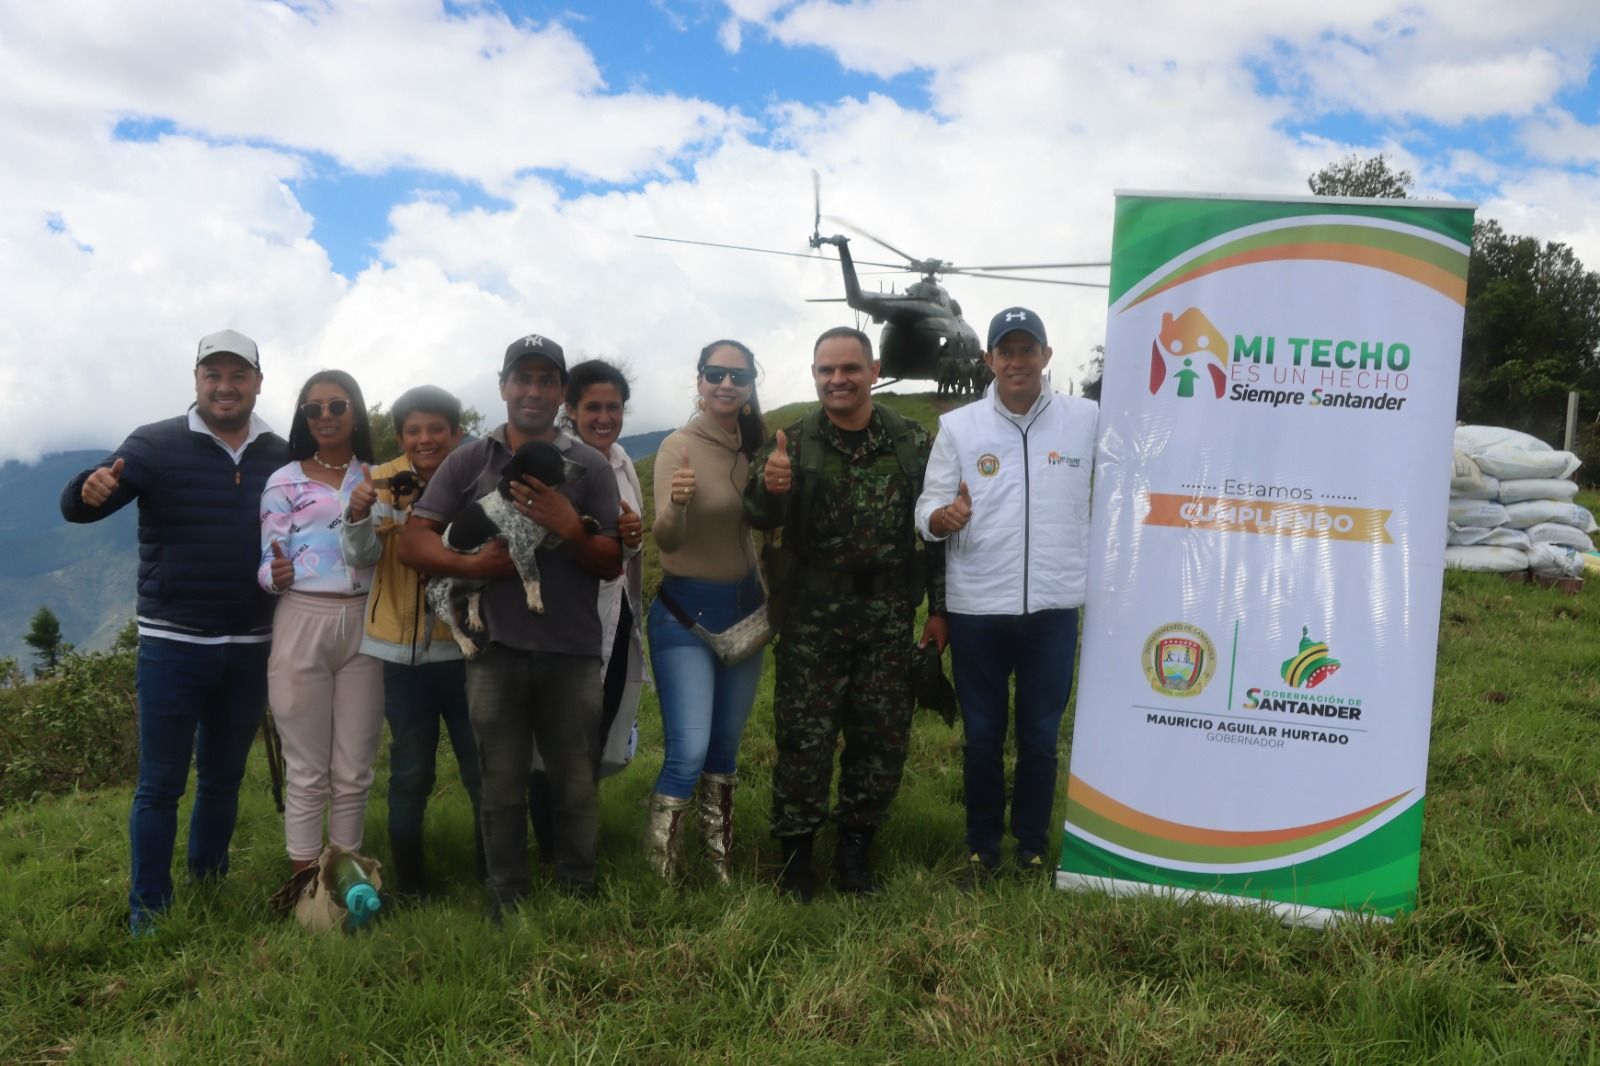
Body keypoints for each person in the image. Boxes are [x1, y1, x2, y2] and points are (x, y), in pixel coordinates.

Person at [60, 329, 288, 933]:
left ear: (257, 382)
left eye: (238, 375)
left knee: (223, 777)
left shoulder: (280, 454)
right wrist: (86, 490)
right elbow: (85, 504)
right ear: (196, 380)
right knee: (160, 784)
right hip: (172, 643)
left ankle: (207, 884)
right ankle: (149, 908)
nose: (225, 385)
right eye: (213, 374)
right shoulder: (154, 444)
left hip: (251, 644)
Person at [399, 333, 621, 911]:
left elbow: (611, 561)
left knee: (575, 780)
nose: (533, 390)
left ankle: (578, 890)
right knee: (500, 785)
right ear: (503, 387)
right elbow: (414, 542)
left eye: (547, 379)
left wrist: (571, 527)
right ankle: (506, 896)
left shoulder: (590, 466)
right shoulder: (469, 461)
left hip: (572, 648)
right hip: (495, 650)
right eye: (522, 378)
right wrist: (471, 564)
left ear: (562, 392)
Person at [744, 326, 945, 901]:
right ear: (814, 376)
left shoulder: (910, 441)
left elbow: (933, 535)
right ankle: (797, 859)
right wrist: (771, 486)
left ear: (873, 370)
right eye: (826, 370)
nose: (838, 380)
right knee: (804, 740)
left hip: (887, 615)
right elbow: (758, 514)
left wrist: (941, 609)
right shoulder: (794, 441)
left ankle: (856, 851)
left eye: (850, 368)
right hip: (812, 617)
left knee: (880, 740)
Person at [915, 307, 1097, 885]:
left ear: (1046, 355)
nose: (1017, 361)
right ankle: (982, 848)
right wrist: (945, 517)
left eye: (1028, 349)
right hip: (977, 609)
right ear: (989, 359)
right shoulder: (960, 428)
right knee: (984, 734)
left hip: (1054, 607)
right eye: (1006, 351)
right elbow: (925, 513)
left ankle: (1032, 847)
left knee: (1041, 737)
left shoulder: (1087, 419)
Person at [340, 385, 483, 896]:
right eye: (414, 431)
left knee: (480, 768)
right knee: (410, 771)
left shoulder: (473, 478)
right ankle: (412, 887)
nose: (425, 440)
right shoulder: (376, 482)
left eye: (436, 430)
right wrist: (357, 512)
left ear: (456, 433)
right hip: (399, 656)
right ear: (401, 437)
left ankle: (493, 877)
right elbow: (357, 557)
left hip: (467, 651)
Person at [644, 340, 768, 883]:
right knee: (689, 750)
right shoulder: (679, 447)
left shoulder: (754, 447)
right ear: (698, 381)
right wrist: (677, 502)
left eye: (737, 376)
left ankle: (720, 864)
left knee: (724, 751)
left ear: (750, 385)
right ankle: (661, 876)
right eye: (715, 373)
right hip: (686, 616)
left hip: (747, 615)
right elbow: (665, 541)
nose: (726, 384)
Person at [258, 370, 383, 876]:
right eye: (314, 409)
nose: (325, 417)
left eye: (336, 406)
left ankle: (345, 878)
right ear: (303, 419)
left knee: (354, 767)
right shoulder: (284, 481)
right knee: (307, 768)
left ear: (355, 411)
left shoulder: (377, 476)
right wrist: (274, 574)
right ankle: (305, 882)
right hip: (303, 617)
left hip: (367, 621)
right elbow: (266, 560)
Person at [527, 360, 646, 862]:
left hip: (615, 616)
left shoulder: (622, 462)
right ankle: (555, 849)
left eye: (612, 407)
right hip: (560, 620)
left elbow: (627, 546)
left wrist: (633, 539)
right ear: (569, 410)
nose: (603, 417)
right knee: (549, 743)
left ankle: (578, 841)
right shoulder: (550, 463)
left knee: (594, 734)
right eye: (591, 407)